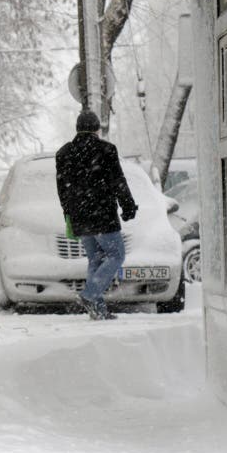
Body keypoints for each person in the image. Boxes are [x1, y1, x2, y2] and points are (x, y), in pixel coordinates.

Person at [55, 110, 138, 320]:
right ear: (96, 129)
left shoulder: (64, 153)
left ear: (77, 128)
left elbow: (62, 189)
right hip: (102, 215)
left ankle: (98, 311)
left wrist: (69, 213)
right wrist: (128, 206)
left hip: (79, 216)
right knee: (116, 255)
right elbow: (118, 180)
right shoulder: (106, 150)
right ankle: (91, 294)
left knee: (96, 259)